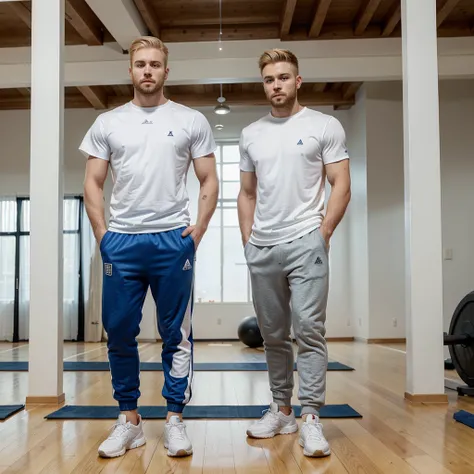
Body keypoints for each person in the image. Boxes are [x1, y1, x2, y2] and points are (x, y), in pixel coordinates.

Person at [80, 36, 219, 459]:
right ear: (130, 70)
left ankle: (175, 417)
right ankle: (130, 420)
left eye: (154, 64)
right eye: (140, 64)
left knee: (175, 334)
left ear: (165, 70)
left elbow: (209, 179)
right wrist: (103, 235)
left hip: (171, 239)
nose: (147, 71)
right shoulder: (108, 122)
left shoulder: (191, 119)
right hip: (121, 240)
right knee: (120, 331)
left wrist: (196, 232)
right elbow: (93, 182)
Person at [237, 49, 351, 457]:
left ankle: (311, 417)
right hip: (263, 247)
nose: (277, 85)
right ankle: (282, 409)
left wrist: (323, 232)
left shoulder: (324, 125)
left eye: (284, 77)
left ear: (298, 81)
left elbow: (341, 183)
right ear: (263, 84)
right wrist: (248, 241)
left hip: (307, 241)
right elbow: (247, 192)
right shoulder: (251, 133)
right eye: (269, 79)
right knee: (272, 336)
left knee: (309, 330)